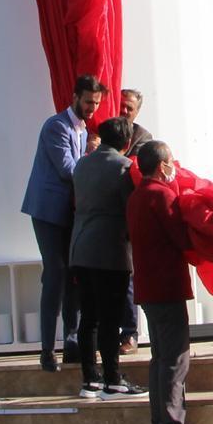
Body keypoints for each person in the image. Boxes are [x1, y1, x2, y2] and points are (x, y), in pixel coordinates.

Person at [22, 75, 108, 371]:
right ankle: (48, 349)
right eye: (88, 102)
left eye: (96, 103)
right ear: (75, 97)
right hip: (48, 211)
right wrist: (96, 167)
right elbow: (68, 169)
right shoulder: (56, 126)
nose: (92, 108)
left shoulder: (82, 130)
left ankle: (71, 340)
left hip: (70, 212)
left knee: (74, 275)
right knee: (55, 273)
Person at [127, 139, 205, 424]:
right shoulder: (161, 195)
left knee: (160, 358)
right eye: (171, 161)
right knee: (175, 358)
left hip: (147, 287)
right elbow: (181, 237)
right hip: (166, 286)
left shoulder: (136, 197)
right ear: (162, 166)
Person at [70, 115, 142, 400]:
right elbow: (131, 208)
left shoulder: (81, 164)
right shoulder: (123, 167)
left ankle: (90, 379)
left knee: (88, 317)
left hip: (80, 247)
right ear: (127, 141)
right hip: (110, 249)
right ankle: (113, 378)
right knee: (111, 318)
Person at [117, 89, 152, 354]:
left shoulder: (142, 138)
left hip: (127, 217)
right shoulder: (99, 131)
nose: (124, 111)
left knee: (128, 277)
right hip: (103, 216)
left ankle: (130, 333)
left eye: (129, 107)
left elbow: (131, 169)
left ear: (137, 111)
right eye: (121, 105)